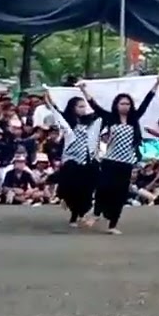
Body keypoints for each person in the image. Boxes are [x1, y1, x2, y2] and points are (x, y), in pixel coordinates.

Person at [81, 76, 159, 234]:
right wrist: (84, 89)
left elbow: (147, 101)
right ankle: (96, 213)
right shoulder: (109, 118)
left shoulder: (134, 118)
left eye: (127, 103)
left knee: (120, 193)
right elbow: (94, 105)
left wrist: (157, 84)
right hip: (110, 160)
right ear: (116, 105)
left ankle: (113, 224)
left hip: (126, 163)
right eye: (122, 103)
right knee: (104, 188)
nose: (125, 106)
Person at [44, 89, 103, 228]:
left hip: (88, 160)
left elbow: (101, 113)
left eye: (84, 106)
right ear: (73, 107)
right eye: (80, 106)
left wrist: (86, 92)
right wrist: (48, 98)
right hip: (72, 160)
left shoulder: (90, 120)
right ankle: (73, 213)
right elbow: (55, 110)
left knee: (87, 189)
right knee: (72, 187)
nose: (83, 109)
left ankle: (80, 214)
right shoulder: (67, 120)